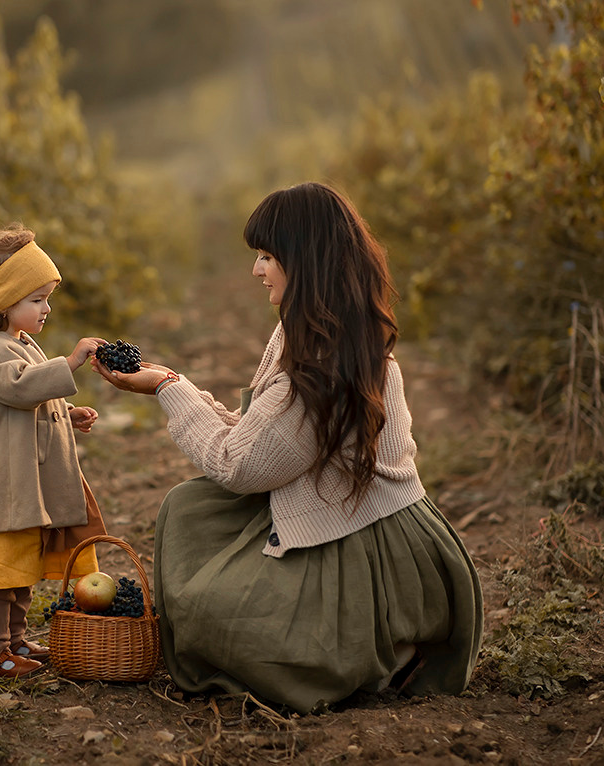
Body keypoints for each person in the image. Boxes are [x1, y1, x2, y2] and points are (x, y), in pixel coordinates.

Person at [93, 182, 483, 713]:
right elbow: (262, 434)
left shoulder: (320, 355)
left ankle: (383, 643)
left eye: (268, 256)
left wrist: (168, 389)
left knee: (217, 613)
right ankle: (381, 640)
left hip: (372, 542)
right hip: (347, 519)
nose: (257, 269)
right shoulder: (316, 328)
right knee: (189, 508)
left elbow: (240, 464)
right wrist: (173, 382)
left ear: (306, 261)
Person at [0, 224, 108, 679]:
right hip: (4, 489)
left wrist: (66, 413)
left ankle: (16, 640)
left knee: (23, 570)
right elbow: (17, 388)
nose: (46, 309)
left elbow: (29, 398)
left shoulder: (21, 342)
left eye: (47, 298)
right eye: (37, 300)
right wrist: (70, 362)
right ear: (5, 301)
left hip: (24, 487)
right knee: (3, 574)